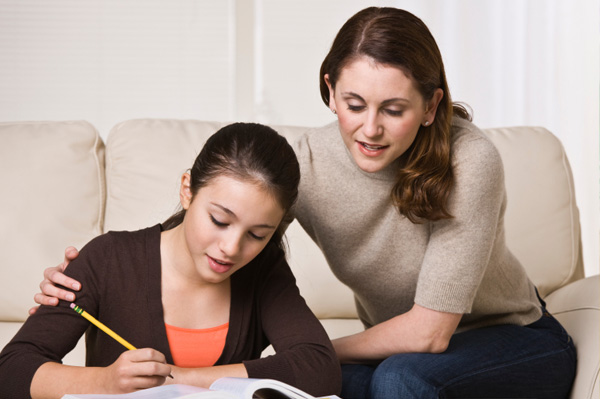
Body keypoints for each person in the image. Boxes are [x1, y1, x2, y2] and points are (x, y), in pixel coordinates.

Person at [31, 7, 577, 399]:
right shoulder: (304, 166)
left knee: (394, 380)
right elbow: (222, 224)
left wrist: (305, 355)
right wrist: (93, 271)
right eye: (354, 103)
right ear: (329, 90)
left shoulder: (471, 159)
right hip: (396, 353)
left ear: (432, 105)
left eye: (395, 109)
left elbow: (429, 334)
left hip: (512, 339)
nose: (370, 129)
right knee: (321, 391)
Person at [0, 123, 341, 399]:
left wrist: (179, 380)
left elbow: (319, 368)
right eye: (220, 221)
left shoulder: (263, 269)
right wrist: (105, 382)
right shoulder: (108, 259)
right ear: (187, 189)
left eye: (257, 235)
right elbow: (11, 371)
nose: (231, 248)